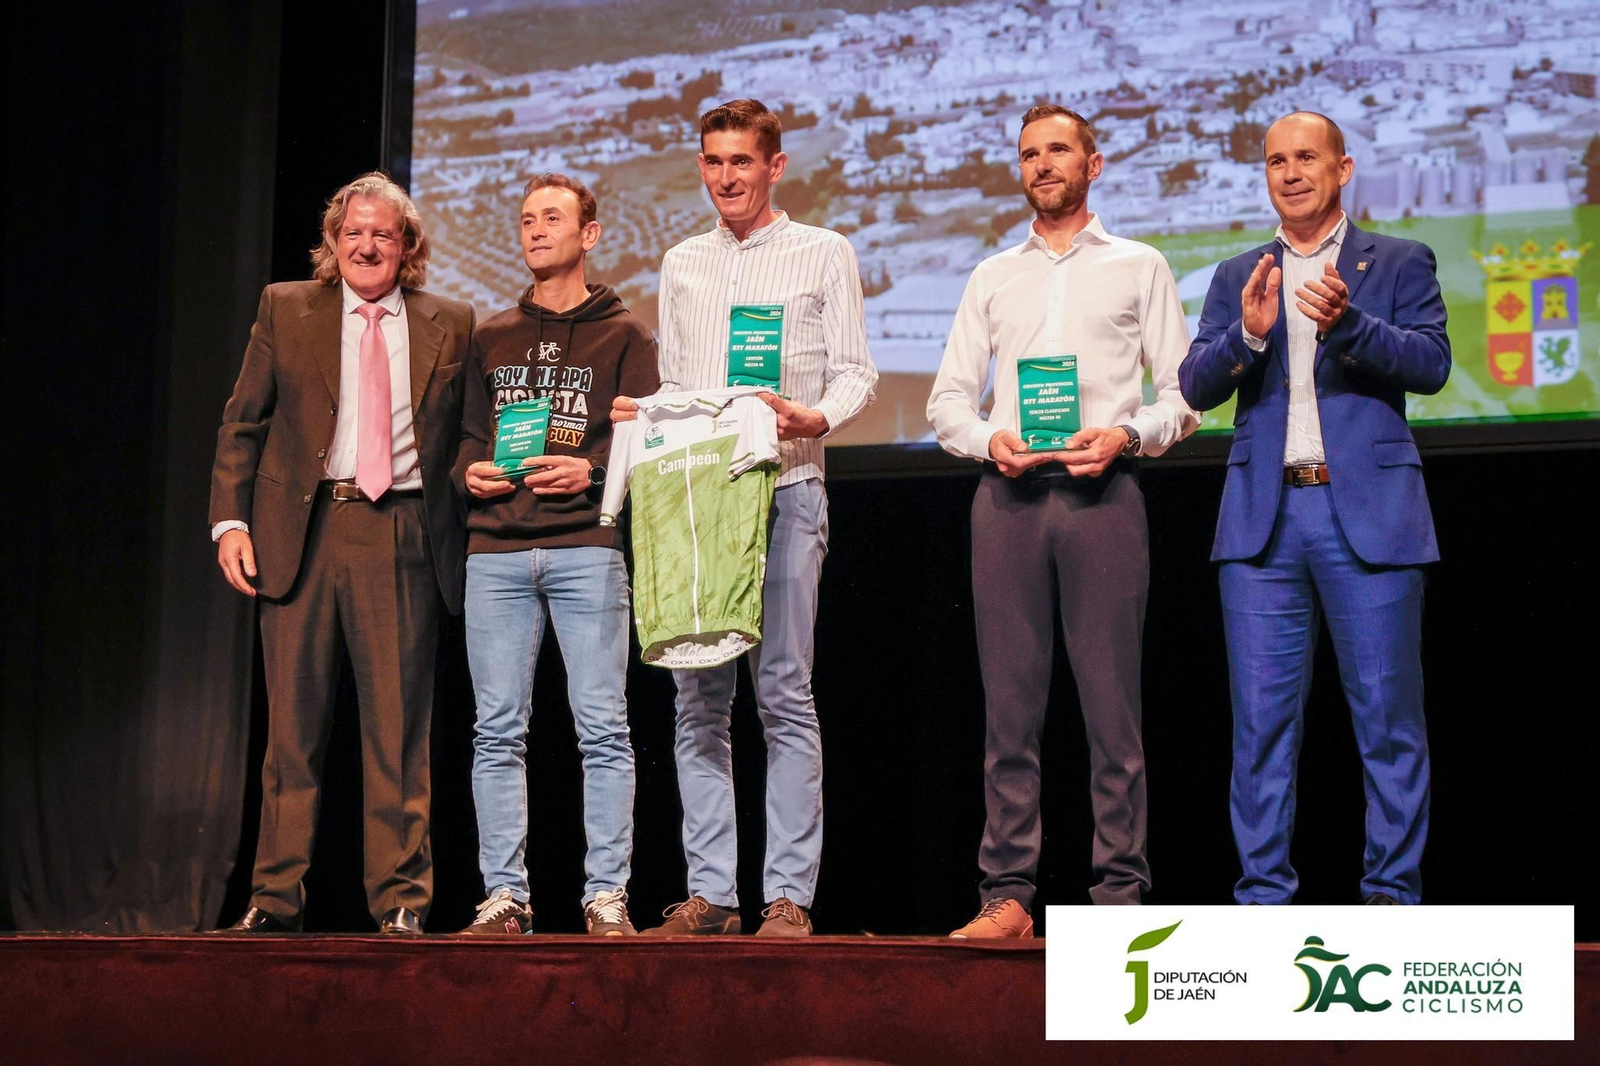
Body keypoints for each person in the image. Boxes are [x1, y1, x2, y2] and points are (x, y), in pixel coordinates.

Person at [927, 104, 1197, 937]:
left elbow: (1183, 397)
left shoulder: (1138, 265)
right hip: (1006, 500)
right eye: (1029, 154)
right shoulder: (991, 276)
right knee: (1009, 713)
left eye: (1058, 151)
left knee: (1112, 715)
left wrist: (1125, 433)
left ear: (1094, 163)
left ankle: (1118, 902)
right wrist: (987, 439)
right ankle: (1006, 897)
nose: (1043, 164)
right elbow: (945, 401)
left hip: (1102, 500)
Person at [613, 99, 877, 937]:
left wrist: (816, 419)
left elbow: (857, 373)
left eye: (742, 163)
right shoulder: (683, 261)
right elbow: (685, 385)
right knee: (696, 699)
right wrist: (643, 414)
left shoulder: (823, 252)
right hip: (698, 498)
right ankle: (713, 895)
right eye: (714, 162)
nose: (727, 177)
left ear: (775, 167)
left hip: (789, 486)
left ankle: (789, 896)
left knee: (784, 695)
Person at [1179, 112, 1450, 906]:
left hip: (1367, 515)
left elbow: (1432, 363)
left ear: (1342, 168)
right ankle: (1262, 900)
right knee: (1260, 730)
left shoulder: (1397, 260)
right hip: (1265, 525)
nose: (1290, 172)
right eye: (1275, 161)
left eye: (1306, 158)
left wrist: (1352, 324)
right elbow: (1196, 385)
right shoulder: (1239, 274)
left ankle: (1391, 901)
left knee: (1389, 727)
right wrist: (1248, 339)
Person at [211, 172, 475, 934]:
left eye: (383, 234)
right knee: (291, 734)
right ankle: (272, 899)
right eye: (353, 232)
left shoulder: (450, 321)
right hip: (301, 534)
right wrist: (230, 524)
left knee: (397, 732)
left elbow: (465, 436)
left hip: (401, 533)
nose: (366, 245)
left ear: (407, 246)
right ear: (333, 242)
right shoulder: (285, 307)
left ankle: (400, 901)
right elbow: (242, 425)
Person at [452, 174, 658, 936]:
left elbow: (646, 443)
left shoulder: (627, 335)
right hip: (496, 552)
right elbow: (469, 439)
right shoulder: (489, 336)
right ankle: (505, 897)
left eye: (553, 218)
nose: (537, 230)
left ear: (590, 234)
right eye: (527, 219)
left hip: (585, 547)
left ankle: (606, 896)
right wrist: (465, 473)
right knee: (496, 729)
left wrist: (594, 470)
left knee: (602, 727)